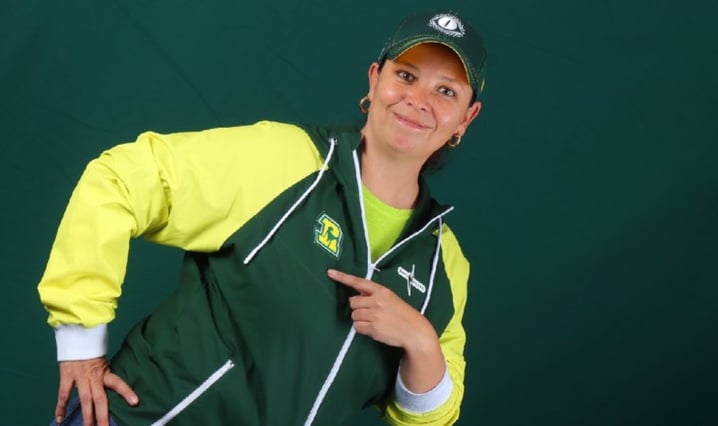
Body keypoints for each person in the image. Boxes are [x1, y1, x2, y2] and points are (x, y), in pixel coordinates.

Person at [38, 8, 485, 426]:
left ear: (466, 119)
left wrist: (420, 340)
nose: (419, 99)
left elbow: (429, 417)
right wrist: (80, 345)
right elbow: (119, 179)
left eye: (446, 91)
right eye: (405, 75)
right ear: (374, 81)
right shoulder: (286, 160)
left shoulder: (442, 261)